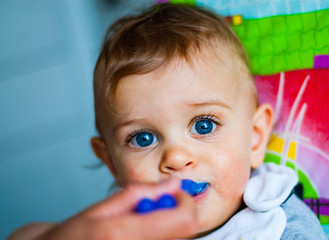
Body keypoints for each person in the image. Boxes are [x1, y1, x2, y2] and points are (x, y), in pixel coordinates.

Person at [9, 3, 327, 240]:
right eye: (143, 138)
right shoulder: (122, 227)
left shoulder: (279, 222)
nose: (175, 158)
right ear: (111, 162)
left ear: (255, 137)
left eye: (204, 125)